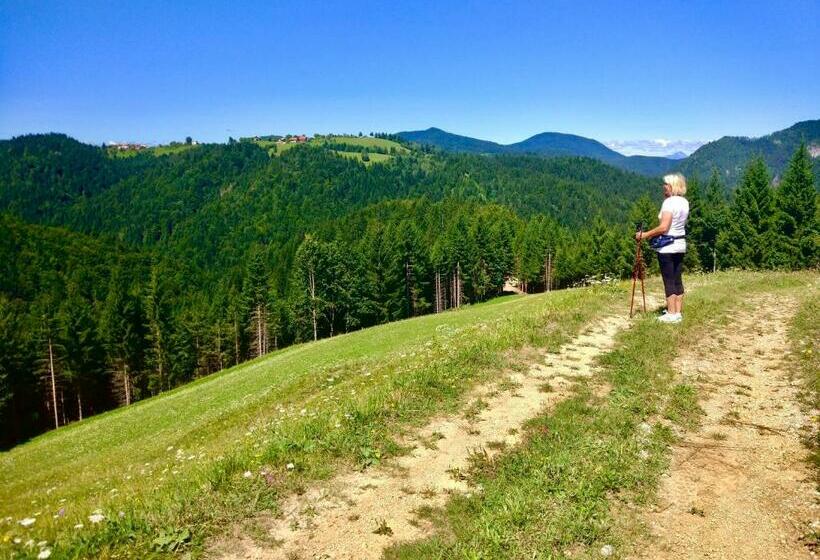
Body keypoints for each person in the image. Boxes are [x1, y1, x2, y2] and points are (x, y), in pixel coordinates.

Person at [635, 173, 689, 323]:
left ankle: (671, 314)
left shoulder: (669, 203)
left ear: (671, 186)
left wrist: (645, 235)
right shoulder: (684, 202)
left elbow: (664, 227)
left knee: (668, 280)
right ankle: (677, 312)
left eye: (665, 184)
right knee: (677, 279)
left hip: (667, 246)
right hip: (680, 244)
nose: (663, 186)